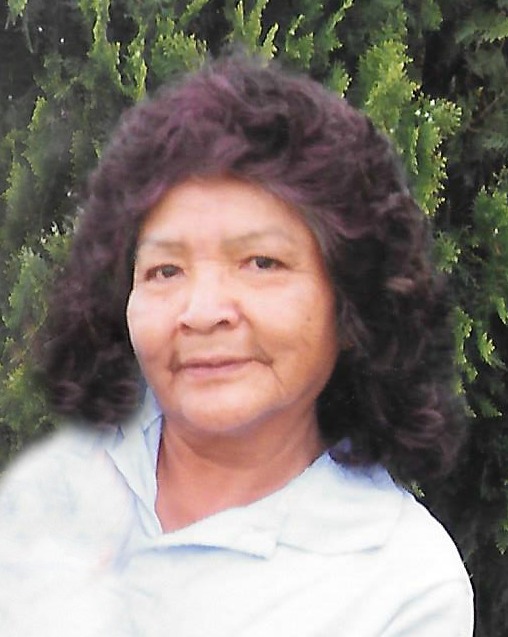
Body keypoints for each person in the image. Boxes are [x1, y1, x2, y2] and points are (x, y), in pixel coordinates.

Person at [0, 54, 473, 636]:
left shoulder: (402, 583)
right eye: (165, 270)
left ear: (352, 302)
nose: (202, 313)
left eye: (261, 262)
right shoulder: (50, 491)